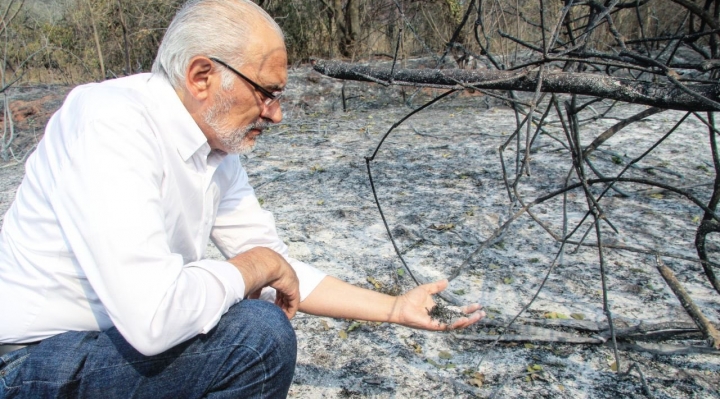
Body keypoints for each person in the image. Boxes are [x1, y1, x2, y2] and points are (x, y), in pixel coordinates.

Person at [0, 0, 485, 397]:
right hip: (28, 359)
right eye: (266, 93)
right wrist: (250, 269)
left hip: (111, 345)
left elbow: (280, 267)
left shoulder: (217, 148)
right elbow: (155, 318)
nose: (276, 115)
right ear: (201, 75)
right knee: (258, 335)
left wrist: (393, 307)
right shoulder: (108, 121)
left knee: (254, 318)